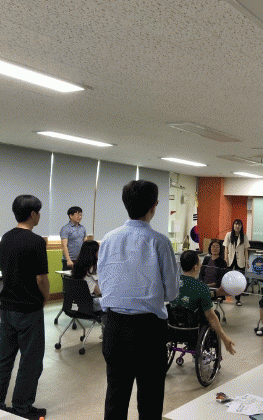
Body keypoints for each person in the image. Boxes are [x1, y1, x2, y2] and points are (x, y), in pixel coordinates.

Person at [97, 180, 180, 420]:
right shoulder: (159, 242)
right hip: (148, 331)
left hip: (114, 326)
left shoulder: (108, 239)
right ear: (154, 206)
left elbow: (104, 283)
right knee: (150, 400)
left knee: (115, 397)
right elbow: (172, 293)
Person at [0, 195, 49, 420]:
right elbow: (41, 278)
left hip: (7, 307)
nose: (40, 216)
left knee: (4, 357)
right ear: (33, 214)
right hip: (29, 308)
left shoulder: (5, 238)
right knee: (30, 360)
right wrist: (45, 297)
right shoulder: (36, 242)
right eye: (39, 212)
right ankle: (22, 407)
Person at [170, 250, 236, 355]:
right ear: (195, 267)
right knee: (215, 314)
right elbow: (210, 316)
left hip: (173, 327)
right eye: (200, 262)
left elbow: (190, 294)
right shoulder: (201, 287)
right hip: (192, 330)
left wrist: (216, 293)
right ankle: (206, 347)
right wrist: (224, 338)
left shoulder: (173, 282)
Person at [223, 219, 249, 306]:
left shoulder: (244, 236)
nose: (237, 226)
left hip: (240, 260)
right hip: (230, 259)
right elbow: (226, 247)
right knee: (227, 278)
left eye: (239, 225)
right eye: (235, 224)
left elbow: (246, 250)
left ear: (241, 226)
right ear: (233, 225)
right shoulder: (228, 235)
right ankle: (224, 296)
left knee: (239, 280)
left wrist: (247, 261)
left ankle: (238, 299)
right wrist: (225, 258)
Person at [60, 206, 87, 270]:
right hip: (70, 260)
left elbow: (85, 244)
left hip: (81, 259)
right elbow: (64, 245)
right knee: (69, 276)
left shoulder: (82, 228)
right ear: (71, 216)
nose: (80, 217)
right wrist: (68, 260)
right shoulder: (65, 228)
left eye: (81, 215)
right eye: (77, 215)